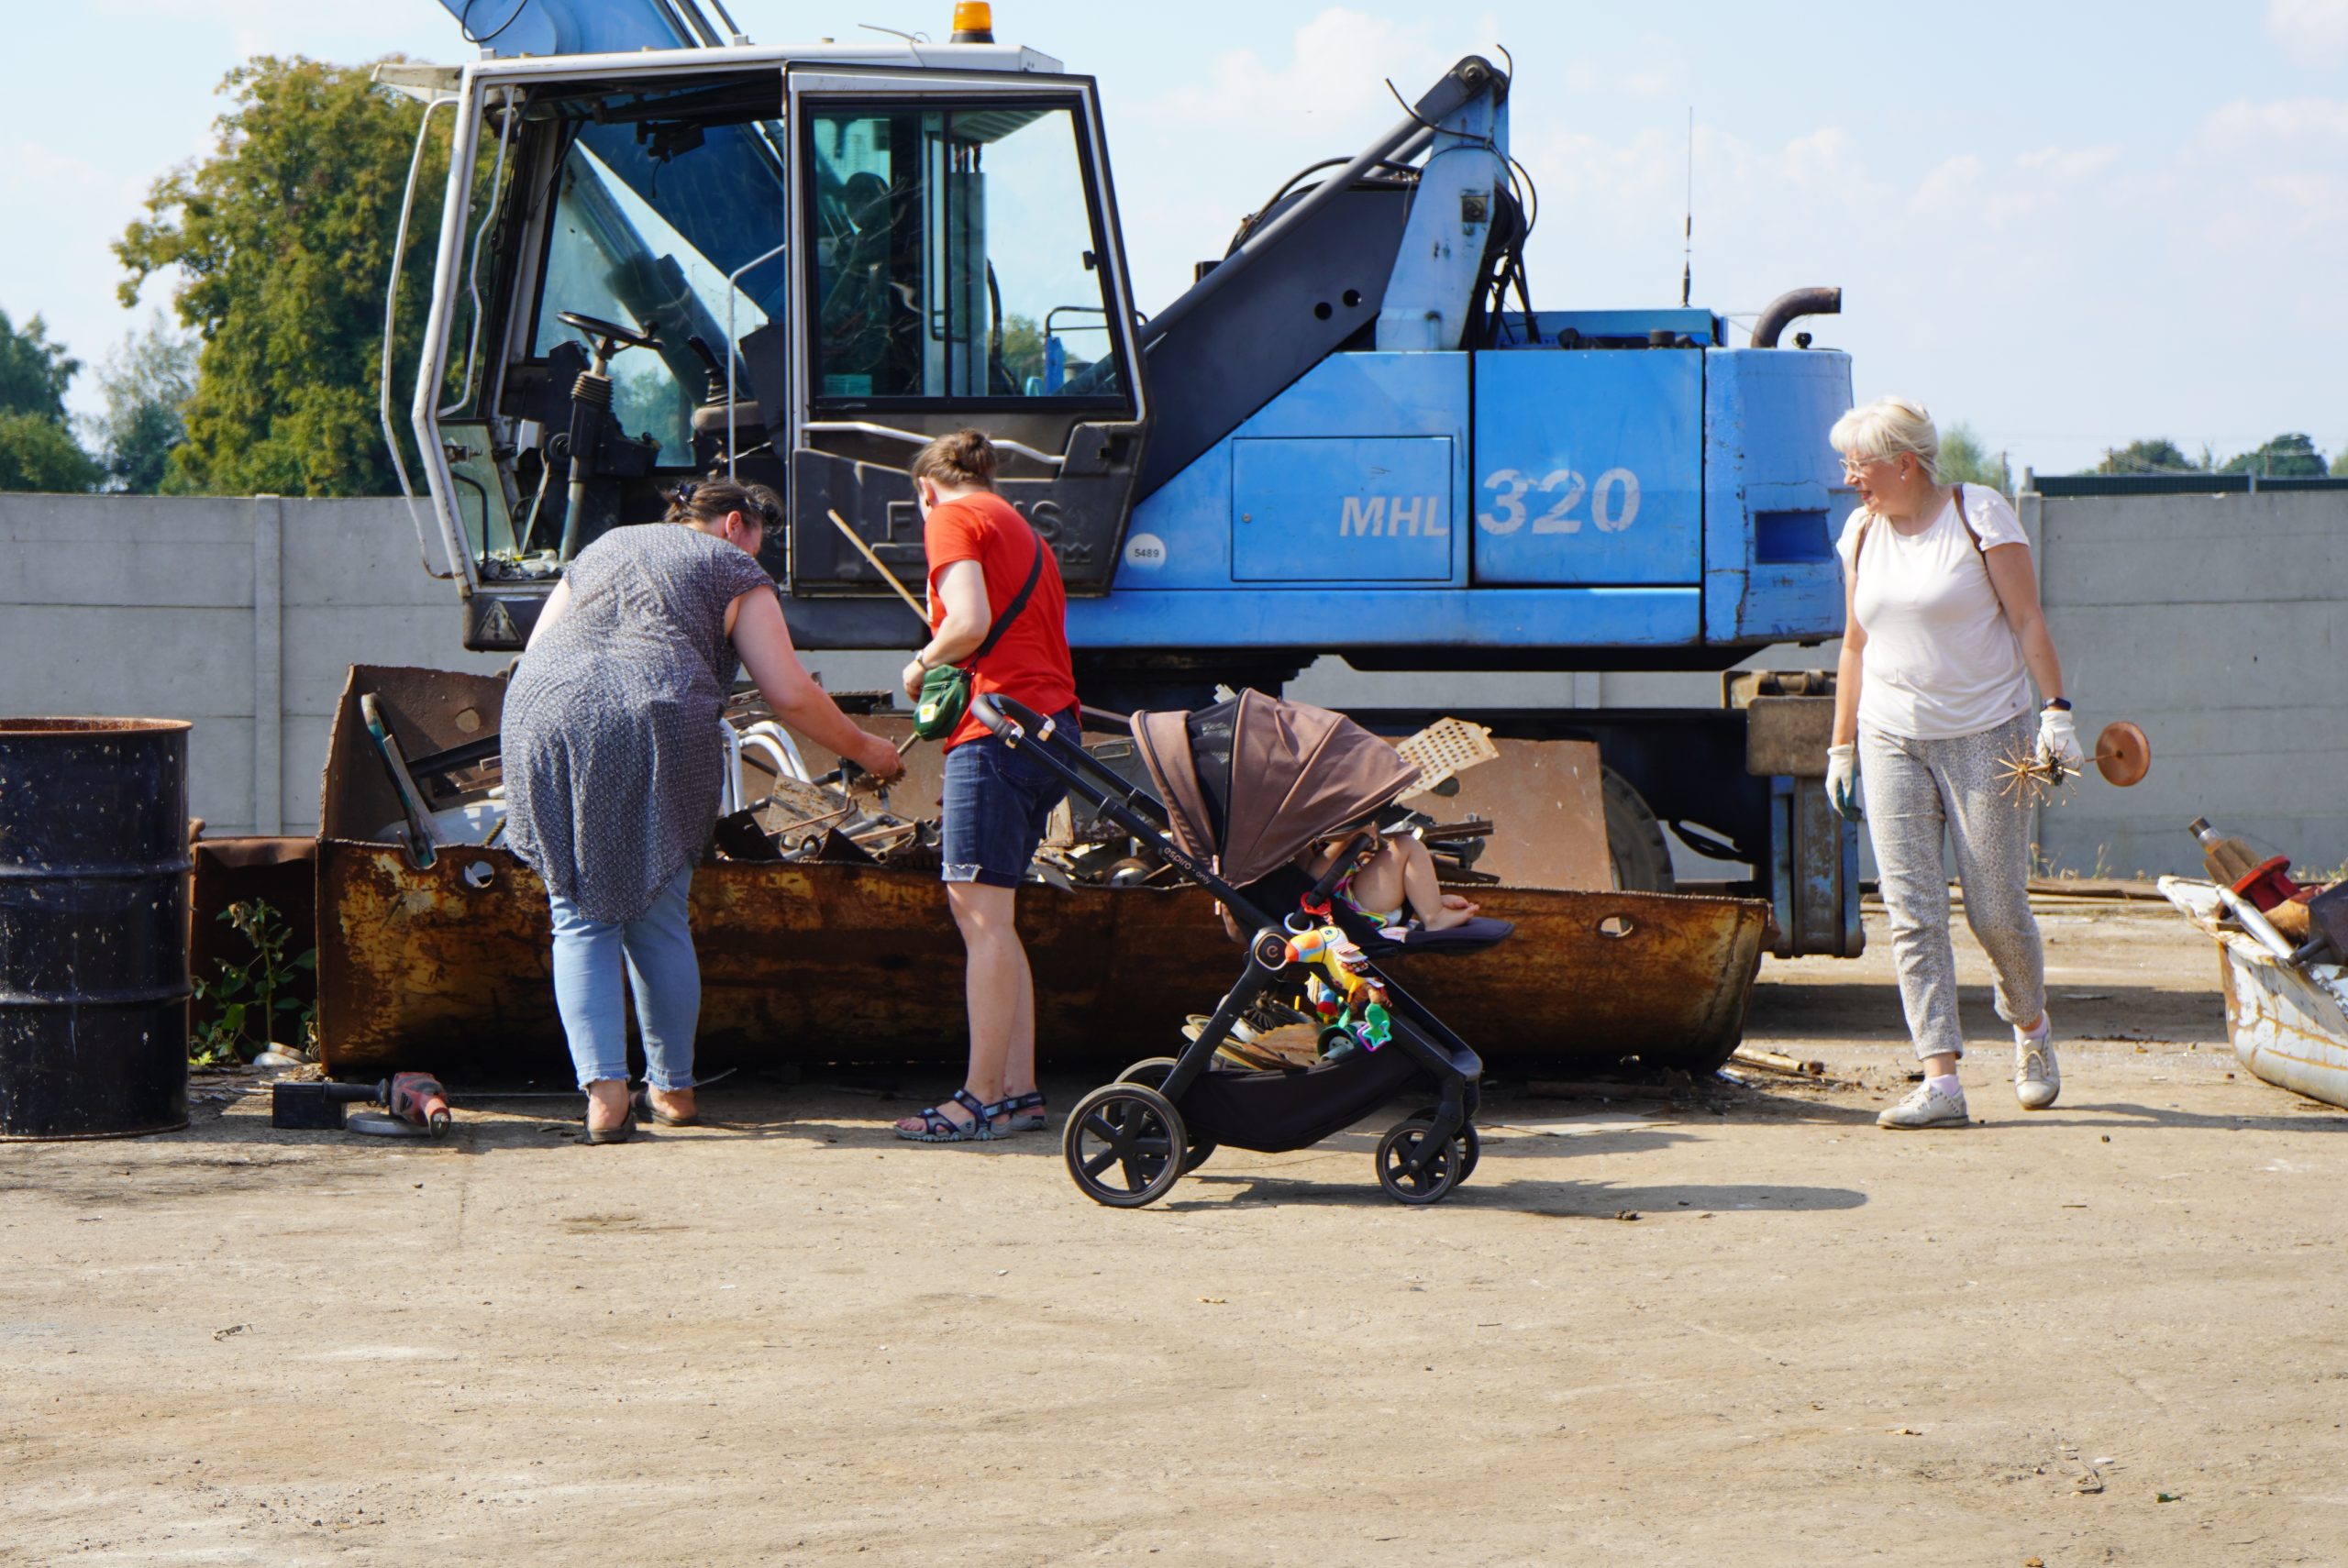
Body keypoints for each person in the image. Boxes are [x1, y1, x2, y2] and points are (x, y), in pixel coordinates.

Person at [504, 480, 905, 1143]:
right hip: (654, 713)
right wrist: (868, 750)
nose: (760, 556)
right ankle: (673, 1089)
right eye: (761, 542)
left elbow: (539, 651)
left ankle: (605, 1097)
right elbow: (790, 694)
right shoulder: (734, 567)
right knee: (658, 913)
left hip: (541, 711)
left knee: (576, 914)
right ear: (736, 524)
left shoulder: (605, 545)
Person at [1824, 397, 2080, 1130]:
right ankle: (1941, 1079)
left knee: (1996, 909)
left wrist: (2057, 711)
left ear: (1904, 462)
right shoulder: (1861, 533)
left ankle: (2029, 1028)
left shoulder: (1980, 515)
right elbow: (1853, 644)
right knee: (1912, 913)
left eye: (1859, 464)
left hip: (1985, 735)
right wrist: (1842, 746)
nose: (1849, 479)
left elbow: (2028, 619)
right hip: (1890, 736)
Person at [892, 430, 1078, 1143]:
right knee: (998, 919)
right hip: (1047, 729)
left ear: (927, 488)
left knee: (980, 919)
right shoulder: (1019, 526)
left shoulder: (951, 516)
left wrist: (920, 663)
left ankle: (975, 1098)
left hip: (995, 730)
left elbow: (968, 622)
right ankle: (1019, 1094)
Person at [1302, 829, 1481, 933]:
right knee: (1406, 845)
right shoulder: (1293, 843)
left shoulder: (1304, 833)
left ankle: (1429, 904)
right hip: (1350, 909)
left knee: (1398, 854)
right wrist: (1349, 836)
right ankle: (1434, 917)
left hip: (1354, 894)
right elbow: (1311, 879)